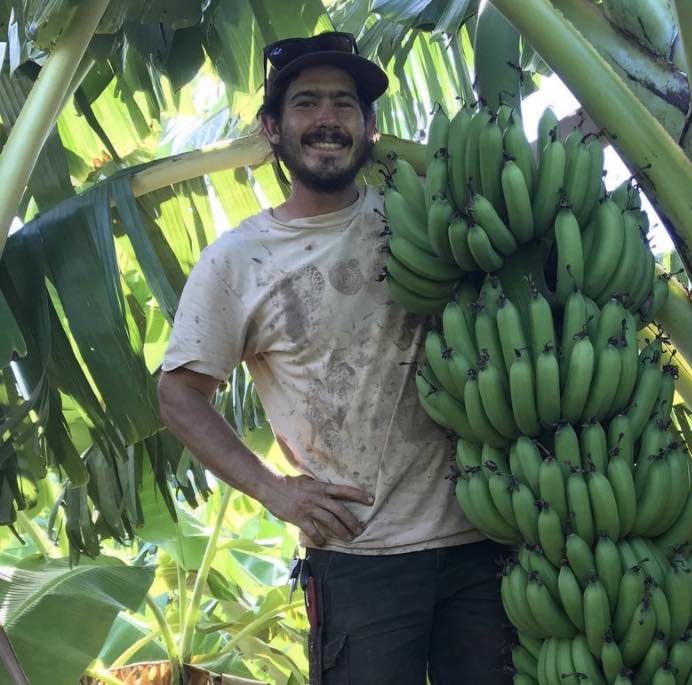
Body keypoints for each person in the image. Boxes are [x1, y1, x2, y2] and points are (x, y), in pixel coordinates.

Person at [157, 31, 512, 685]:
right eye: (306, 104)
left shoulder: (419, 223)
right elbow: (179, 393)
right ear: (273, 128)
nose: (327, 120)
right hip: (359, 559)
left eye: (345, 104)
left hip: (482, 542)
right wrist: (274, 490)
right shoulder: (241, 259)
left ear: (370, 126)